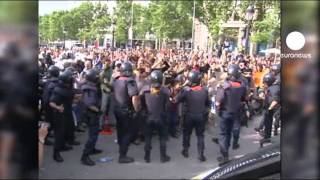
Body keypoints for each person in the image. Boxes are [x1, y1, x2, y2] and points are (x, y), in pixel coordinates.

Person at [175, 70, 210, 162]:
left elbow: (176, 100)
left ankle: (185, 151)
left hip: (189, 116)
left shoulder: (187, 91)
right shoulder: (204, 90)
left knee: (187, 134)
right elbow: (208, 103)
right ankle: (201, 154)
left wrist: (183, 87)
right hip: (200, 115)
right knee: (200, 136)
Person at [215, 64, 247, 164]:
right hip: (236, 112)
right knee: (231, 131)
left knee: (224, 134)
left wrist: (217, 110)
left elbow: (218, 102)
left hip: (225, 113)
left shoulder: (224, 86)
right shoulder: (242, 86)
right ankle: (234, 143)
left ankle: (225, 156)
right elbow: (244, 99)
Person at [139, 70, 171, 163]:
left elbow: (141, 102)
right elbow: (168, 106)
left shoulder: (145, 89)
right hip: (161, 117)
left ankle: (147, 157)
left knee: (148, 137)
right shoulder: (165, 90)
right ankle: (163, 157)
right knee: (162, 138)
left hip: (149, 117)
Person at [112, 62, 140, 163]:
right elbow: (134, 98)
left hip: (117, 109)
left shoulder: (116, 80)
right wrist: (137, 109)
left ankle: (121, 148)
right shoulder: (130, 82)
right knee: (128, 133)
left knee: (120, 130)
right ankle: (122, 156)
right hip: (126, 111)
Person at [49, 70, 75, 162]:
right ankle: (56, 154)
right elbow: (51, 102)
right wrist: (58, 107)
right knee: (59, 135)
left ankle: (63, 146)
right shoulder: (58, 91)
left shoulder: (67, 88)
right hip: (59, 115)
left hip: (66, 113)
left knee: (66, 132)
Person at [80, 69, 103, 166]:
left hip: (92, 113)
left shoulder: (91, 86)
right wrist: (98, 111)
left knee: (95, 132)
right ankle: (85, 156)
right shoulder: (89, 88)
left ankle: (92, 149)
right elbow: (89, 103)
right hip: (91, 113)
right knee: (92, 135)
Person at [41, 65, 60, 146]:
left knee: (48, 121)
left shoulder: (47, 81)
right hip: (50, 104)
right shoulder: (56, 82)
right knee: (49, 122)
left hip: (45, 103)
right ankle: (43, 138)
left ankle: (45, 135)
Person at [260, 72, 280, 144]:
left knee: (271, 123)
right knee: (267, 122)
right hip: (270, 108)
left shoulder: (274, 88)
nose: (264, 84)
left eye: (265, 82)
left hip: (273, 109)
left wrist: (269, 108)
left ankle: (269, 137)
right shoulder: (273, 87)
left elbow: (275, 100)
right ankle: (267, 137)